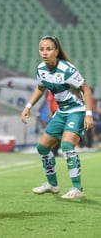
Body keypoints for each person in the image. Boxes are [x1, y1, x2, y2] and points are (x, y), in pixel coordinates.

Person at [21, 35, 93, 199]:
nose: (44, 53)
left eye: (48, 49)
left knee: (67, 145)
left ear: (56, 51)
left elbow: (86, 90)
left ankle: (77, 188)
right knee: (42, 148)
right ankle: (52, 185)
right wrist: (28, 106)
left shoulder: (67, 69)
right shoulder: (41, 69)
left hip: (76, 110)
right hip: (61, 112)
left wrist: (88, 115)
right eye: (41, 49)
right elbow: (40, 88)